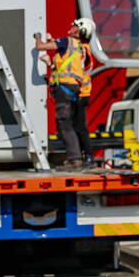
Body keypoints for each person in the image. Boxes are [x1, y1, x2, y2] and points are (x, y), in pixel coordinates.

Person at [35, 17, 96, 170]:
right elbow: (64, 65)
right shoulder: (82, 48)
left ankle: (76, 159)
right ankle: (78, 158)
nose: (71, 26)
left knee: (67, 125)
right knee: (69, 125)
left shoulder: (68, 42)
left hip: (70, 90)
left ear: (80, 30)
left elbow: (41, 47)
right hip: (75, 90)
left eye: (75, 25)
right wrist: (50, 63)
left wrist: (37, 37)